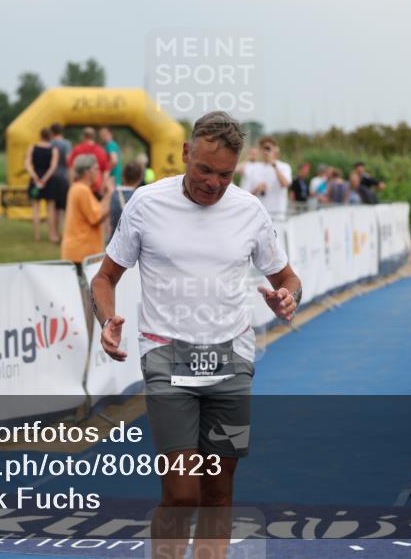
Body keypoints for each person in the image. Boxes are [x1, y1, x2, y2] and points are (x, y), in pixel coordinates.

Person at [90, 111, 302, 559]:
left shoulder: (249, 210)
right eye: (204, 169)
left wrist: (286, 297)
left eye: (224, 174)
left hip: (231, 360)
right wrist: (107, 320)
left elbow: (288, 277)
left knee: (220, 492)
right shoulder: (147, 203)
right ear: (186, 154)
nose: (213, 183)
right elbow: (104, 278)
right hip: (167, 357)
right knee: (184, 492)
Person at [61, 155, 114, 270]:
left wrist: (108, 194)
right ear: (87, 172)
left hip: (79, 253)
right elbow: (96, 218)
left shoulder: (78, 188)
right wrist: (112, 196)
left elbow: (98, 208)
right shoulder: (82, 190)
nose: (98, 172)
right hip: (81, 255)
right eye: (96, 169)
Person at [24, 128, 60, 242]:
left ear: (40, 136)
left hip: (35, 178)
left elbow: (27, 164)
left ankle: (37, 236)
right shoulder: (54, 150)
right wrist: (44, 179)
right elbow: (53, 167)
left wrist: (35, 177)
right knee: (50, 209)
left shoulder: (32, 148)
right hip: (49, 180)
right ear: (50, 137)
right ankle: (51, 235)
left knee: (35, 209)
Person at [243, 137, 292, 219]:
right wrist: (256, 190)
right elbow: (246, 195)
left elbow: (285, 184)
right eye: (264, 148)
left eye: (269, 148)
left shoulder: (284, 167)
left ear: (275, 150)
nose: (266, 151)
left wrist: (273, 164)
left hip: (277, 217)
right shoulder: (252, 168)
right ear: (260, 150)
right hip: (258, 218)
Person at [68, 127, 109, 194]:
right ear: (94, 137)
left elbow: (71, 169)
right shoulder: (101, 151)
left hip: (80, 187)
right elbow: (106, 172)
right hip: (96, 188)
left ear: (83, 136)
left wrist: (71, 185)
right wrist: (102, 188)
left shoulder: (77, 149)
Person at [110, 161, 143, 238]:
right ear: (140, 178)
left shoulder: (113, 195)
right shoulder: (140, 197)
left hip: (114, 241)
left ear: (122, 176)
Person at [50, 123, 72, 233]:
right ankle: (65, 232)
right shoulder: (66, 144)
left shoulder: (50, 144)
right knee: (65, 207)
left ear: (52, 132)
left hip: (52, 177)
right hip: (64, 176)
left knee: (54, 208)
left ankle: (54, 233)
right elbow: (69, 161)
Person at [100, 127, 122, 194]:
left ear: (110, 134)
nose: (102, 136)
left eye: (104, 134)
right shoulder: (114, 144)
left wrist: (106, 172)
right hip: (117, 179)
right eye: (101, 134)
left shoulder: (110, 145)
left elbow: (114, 160)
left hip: (112, 180)